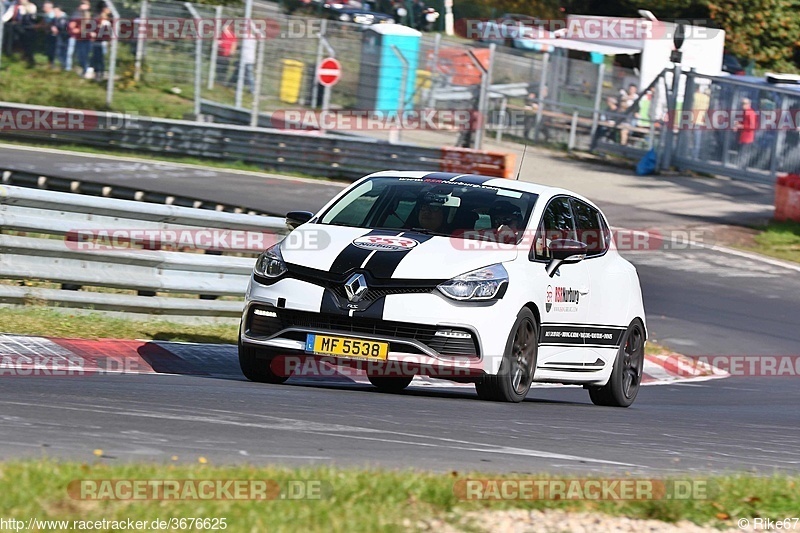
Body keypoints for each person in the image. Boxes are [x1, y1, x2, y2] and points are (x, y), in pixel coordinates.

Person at [66, 0, 91, 74]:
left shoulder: (88, 15)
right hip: (77, 38)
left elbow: (87, 26)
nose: (82, 5)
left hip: (86, 38)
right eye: (81, 4)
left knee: (84, 55)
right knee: (76, 54)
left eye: (84, 4)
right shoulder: (76, 14)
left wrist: (79, 29)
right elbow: (71, 25)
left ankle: (85, 69)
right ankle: (70, 68)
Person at [734, 97, 757, 169]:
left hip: (747, 138)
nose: (742, 105)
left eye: (744, 103)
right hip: (742, 137)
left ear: (749, 104)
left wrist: (741, 126)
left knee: (743, 155)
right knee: (741, 154)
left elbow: (752, 126)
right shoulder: (744, 112)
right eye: (742, 103)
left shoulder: (751, 113)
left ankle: (740, 170)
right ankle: (739, 170)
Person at [691, 85, 710, 159]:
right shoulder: (707, 98)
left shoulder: (694, 96)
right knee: (697, 142)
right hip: (700, 121)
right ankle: (694, 158)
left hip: (689, 120)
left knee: (686, 140)